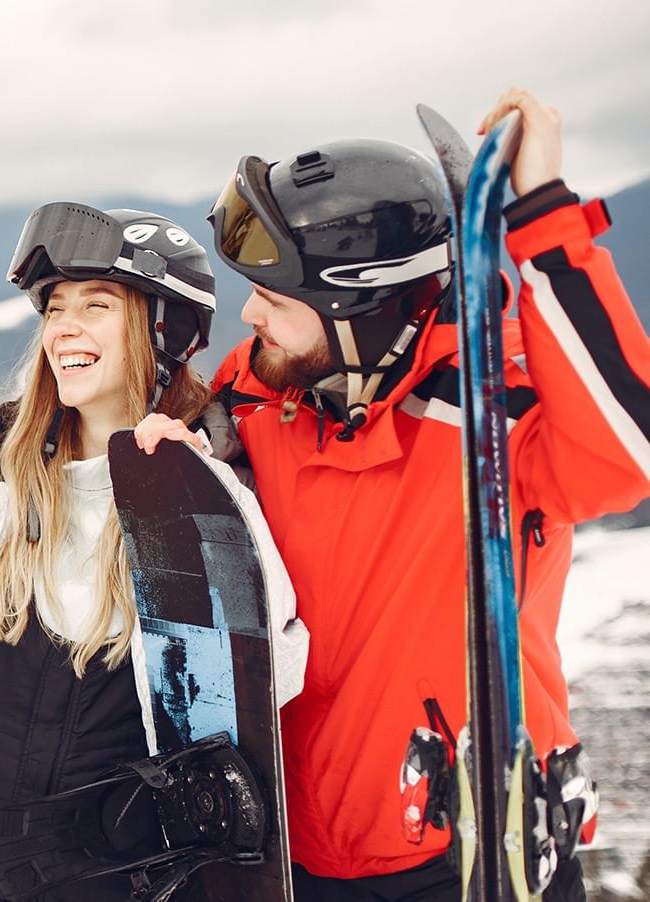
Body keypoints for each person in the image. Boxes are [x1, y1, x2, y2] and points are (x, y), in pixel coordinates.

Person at [201, 88, 649, 900]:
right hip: (298, 857)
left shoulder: (495, 410)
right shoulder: (267, 395)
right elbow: (150, 421)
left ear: (354, 308)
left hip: (473, 853)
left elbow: (629, 448)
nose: (249, 313)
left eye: (274, 295)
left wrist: (545, 215)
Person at [0, 204, 308, 901]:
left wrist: (190, 500)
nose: (63, 327)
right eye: (54, 309)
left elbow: (265, 683)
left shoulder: (201, 504)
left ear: (161, 330)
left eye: (97, 305)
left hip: (108, 871)